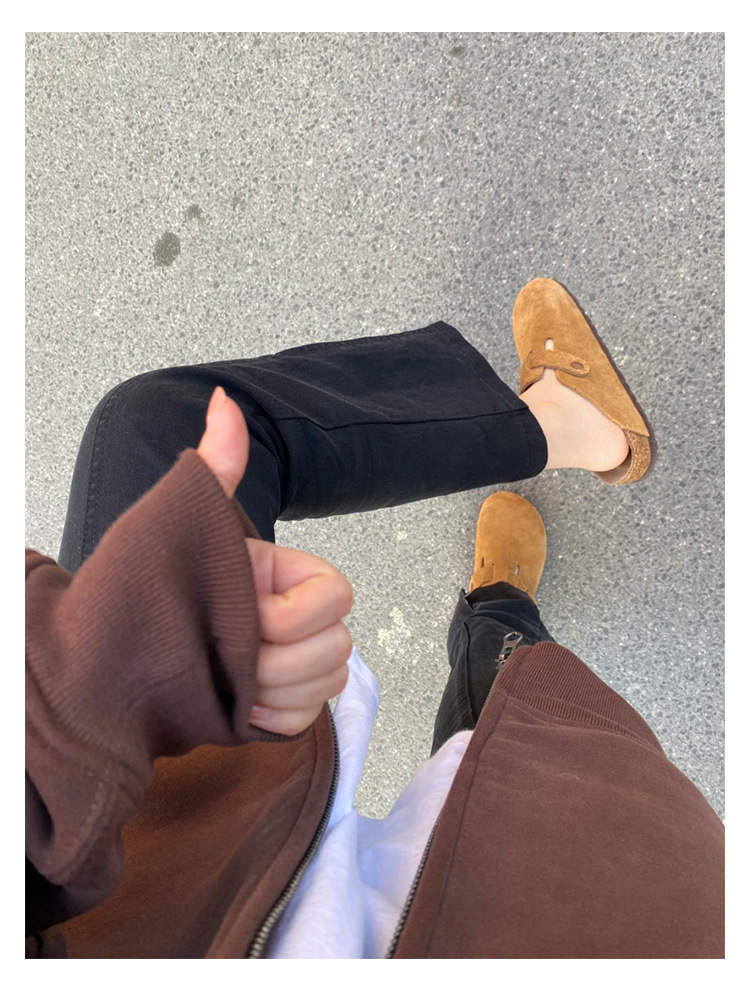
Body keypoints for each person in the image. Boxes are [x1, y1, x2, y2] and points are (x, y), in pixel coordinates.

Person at [25, 278, 723, 958]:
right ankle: (500, 612)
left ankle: (553, 428)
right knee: (526, 738)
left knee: (160, 427)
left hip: (147, 863)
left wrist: (72, 701)